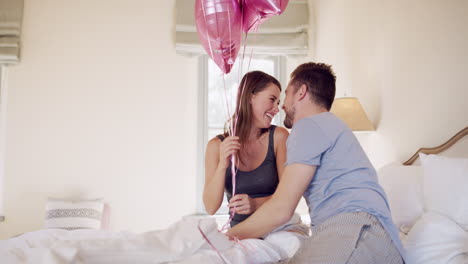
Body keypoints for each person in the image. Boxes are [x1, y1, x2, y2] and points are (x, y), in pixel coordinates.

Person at [227, 63, 406, 263]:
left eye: (285, 95)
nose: (282, 106)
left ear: (301, 92)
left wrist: (223, 238)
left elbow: (281, 209)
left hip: (357, 229)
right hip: (357, 234)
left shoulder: (308, 126)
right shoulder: (328, 125)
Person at [203, 71, 290, 227]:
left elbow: (289, 196)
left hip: (277, 229)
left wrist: (256, 203)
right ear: (250, 97)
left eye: (278, 103)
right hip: (240, 234)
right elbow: (210, 207)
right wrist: (223, 164)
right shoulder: (216, 146)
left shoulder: (278, 137)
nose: (277, 109)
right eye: (272, 100)